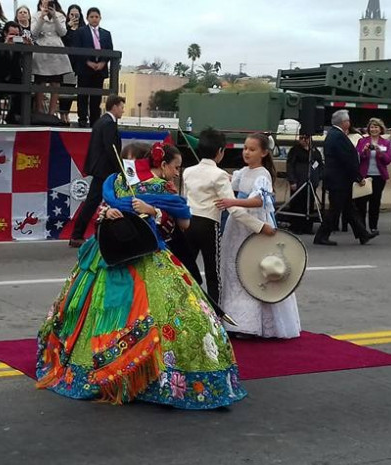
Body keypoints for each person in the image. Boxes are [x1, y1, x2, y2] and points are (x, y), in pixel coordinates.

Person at [37, 142, 247, 409]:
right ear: (161, 163)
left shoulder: (129, 187)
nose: (176, 172)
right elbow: (182, 224)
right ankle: (139, 372)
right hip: (129, 253)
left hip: (126, 253)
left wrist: (142, 211)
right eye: (175, 167)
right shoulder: (141, 188)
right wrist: (118, 213)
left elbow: (171, 224)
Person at [217, 133, 300, 338]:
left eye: (252, 149)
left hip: (255, 225)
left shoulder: (262, 174)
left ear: (263, 153)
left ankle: (254, 324)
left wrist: (234, 202)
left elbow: (259, 201)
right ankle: (236, 321)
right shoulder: (244, 171)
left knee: (254, 270)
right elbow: (231, 180)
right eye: (245, 148)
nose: (246, 152)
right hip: (239, 226)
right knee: (235, 269)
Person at [181, 128, 276, 305]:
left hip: (189, 223)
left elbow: (187, 199)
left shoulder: (188, 172)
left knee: (186, 268)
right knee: (213, 272)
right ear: (220, 152)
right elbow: (234, 209)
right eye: (245, 148)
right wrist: (261, 226)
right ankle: (216, 313)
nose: (247, 152)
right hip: (209, 225)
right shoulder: (219, 175)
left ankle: (184, 306)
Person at [70, 95, 125, 247]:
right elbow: (111, 149)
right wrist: (119, 168)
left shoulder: (102, 122)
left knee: (96, 202)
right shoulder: (108, 124)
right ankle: (77, 234)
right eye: (121, 107)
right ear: (114, 106)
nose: (123, 110)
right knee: (94, 202)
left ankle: (85, 233)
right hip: (105, 170)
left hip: (101, 169)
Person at [314, 110, 375, 246]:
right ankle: (321, 236)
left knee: (348, 208)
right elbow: (346, 159)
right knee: (335, 209)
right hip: (338, 179)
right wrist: (358, 176)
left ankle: (363, 234)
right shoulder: (338, 136)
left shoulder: (334, 134)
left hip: (339, 179)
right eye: (348, 120)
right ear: (344, 122)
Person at [30, 0, 72, 120]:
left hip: (56, 50)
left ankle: (52, 112)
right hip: (41, 49)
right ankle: (40, 110)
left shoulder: (60, 16)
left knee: (55, 83)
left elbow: (63, 32)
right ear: (41, 1)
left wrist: (54, 16)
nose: (48, 1)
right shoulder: (36, 15)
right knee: (40, 82)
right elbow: (34, 33)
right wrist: (42, 17)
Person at [73, 7, 113, 128]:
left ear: (100, 18)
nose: (94, 19)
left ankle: (95, 121)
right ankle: (82, 119)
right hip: (85, 68)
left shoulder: (106, 33)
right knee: (83, 96)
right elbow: (76, 49)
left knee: (96, 97)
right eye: (92, 17)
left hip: (100, 69)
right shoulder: (81, 32)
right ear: (87, 18)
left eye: (96, 17)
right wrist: (87, 62)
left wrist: (103, 63)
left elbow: (110, 50)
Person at [355, 118, 391, 236]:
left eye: (376, 127)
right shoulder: (362, 141)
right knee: (361, 203)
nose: (374, 129)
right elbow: (357, 157)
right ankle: (362, 228)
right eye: (372, 127)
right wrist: (365, 151)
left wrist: (379, 152)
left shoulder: (385, 143)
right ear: (368, 129)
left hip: (378, 176)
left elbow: (388, 160)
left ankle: (373, 226)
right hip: (364, 176)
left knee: (375, 202)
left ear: (380, 129)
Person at [0, 21, 29, 125]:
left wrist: (28, 45)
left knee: (24, 87)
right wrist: (5, 46)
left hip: (13, 76)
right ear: (5, 33)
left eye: (17, 35)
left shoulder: (20, 43)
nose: (14, 37)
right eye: (12, 34)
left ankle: (12, 115)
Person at [284, 133, 323, 235]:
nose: (304, 140)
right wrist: (292, 180)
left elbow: (319, 164)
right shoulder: (295, 150)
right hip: (298, 181)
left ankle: (307, 227)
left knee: (309, 204)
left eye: (306, 138)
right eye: (301, 138)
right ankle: (296, 227)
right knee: (297, 204)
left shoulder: (314, 151)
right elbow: (290, 165)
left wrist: (319, 177)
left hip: (311, 182)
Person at [58, 3, 82, 119]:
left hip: (77, 64)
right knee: (63, 89)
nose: (74, 17)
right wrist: (68, 26)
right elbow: (61, 39)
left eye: (76, 15)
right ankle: (62, 114)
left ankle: (66, 114)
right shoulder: (64, 28)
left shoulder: (83, 29)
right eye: (71, 14)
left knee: (71, 90)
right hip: (64, 62)